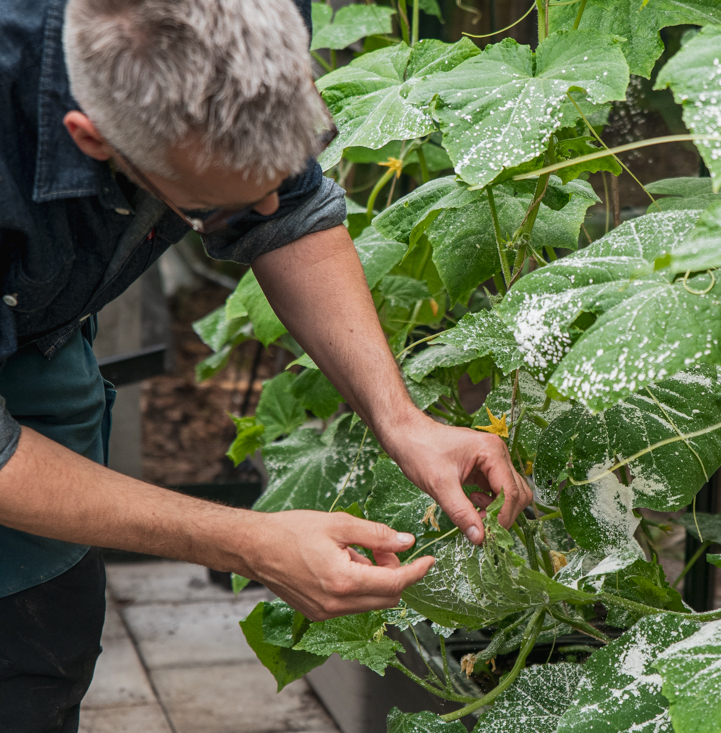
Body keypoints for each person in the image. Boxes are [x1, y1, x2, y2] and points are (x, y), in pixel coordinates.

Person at [0, 0, 533, 728]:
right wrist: (249, 542)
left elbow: (289, 214)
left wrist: (401, 418)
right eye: (216, 209)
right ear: (93, 138)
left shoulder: (250, 15)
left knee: (39, 653)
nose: (269, 202)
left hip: (39, 322)